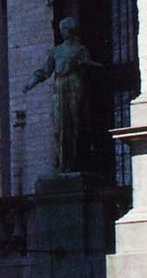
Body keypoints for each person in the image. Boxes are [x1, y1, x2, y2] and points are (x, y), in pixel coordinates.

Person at [22, 17, 101, 174]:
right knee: (60, 124)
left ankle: (76, 161)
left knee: (75, 122)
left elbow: (90, 65)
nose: (62, 32)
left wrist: (93, 67)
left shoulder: (80, 49)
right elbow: (45, 70)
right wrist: (31, 82)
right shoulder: (56, 51)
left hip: (74, 86)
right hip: (60, 87)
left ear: (70, 30)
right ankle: (63, 163)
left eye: (64, 29)